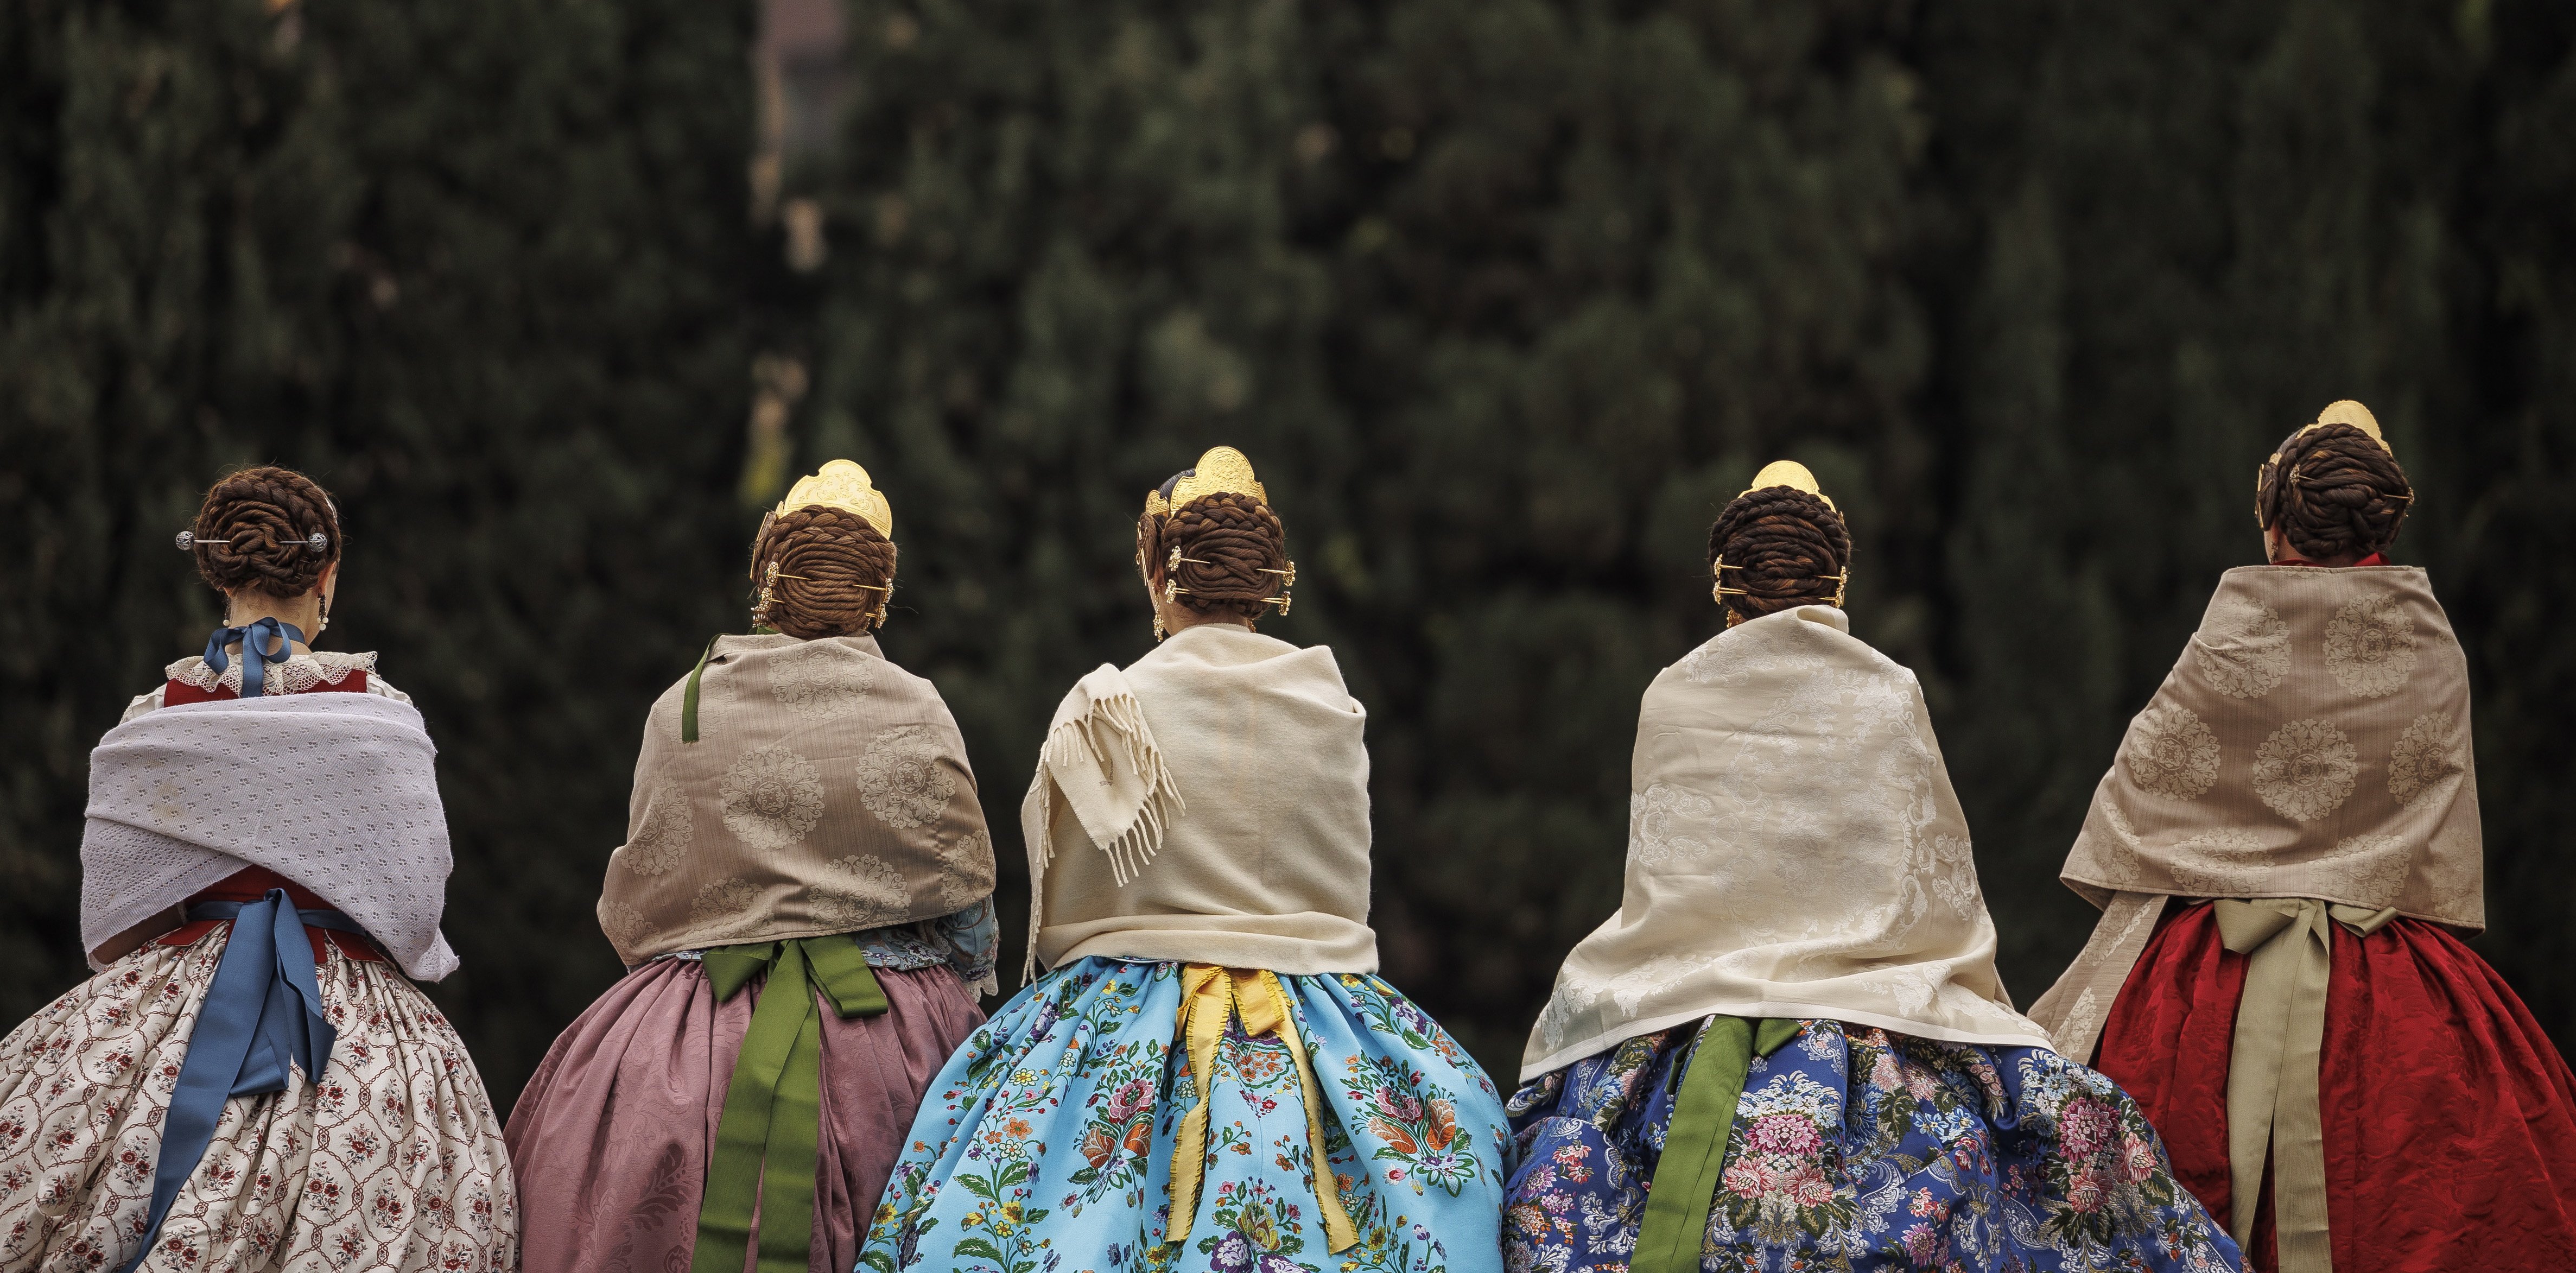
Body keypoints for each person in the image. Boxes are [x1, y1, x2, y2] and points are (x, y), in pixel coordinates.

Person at [1504, 464, 2239, 1273]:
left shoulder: (1672, 694)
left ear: (1723, 588)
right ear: (1838, 584)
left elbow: (1664, 890)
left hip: (1679, 1020)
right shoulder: (1887, 692)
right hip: (1883, 1020)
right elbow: (1935, 897)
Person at [0, 465, 513, 1273]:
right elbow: (412, 905)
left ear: (216, 572)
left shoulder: (152, 716)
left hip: (167, 1003)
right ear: (328, 575)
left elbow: (116, 910)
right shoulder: (385, 717)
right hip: (355, 1029)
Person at [857, 447, 1511, 1273]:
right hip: (1321, 1009)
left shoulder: (1105, 704)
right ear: (1272, 580)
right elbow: (1344, 896)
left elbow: (1064, 910)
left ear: (1156, 569)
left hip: (1118, 1009)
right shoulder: (1331, 703)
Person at [2031, 402, 2576, 1273]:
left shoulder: (2232, 632)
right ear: (2382, 520)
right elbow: (2433, 811)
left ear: (2275, 521)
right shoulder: (2430, 640)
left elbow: (2145, 788)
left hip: (2200, 989)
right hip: (2393, 993)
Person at [504, 459, 1000, 1273]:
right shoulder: (916, 706)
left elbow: (641, 902)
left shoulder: (683, 708)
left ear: (765, 577)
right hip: (895, 1038)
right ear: (876, 592)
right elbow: (967, 905)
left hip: (698, 1032)